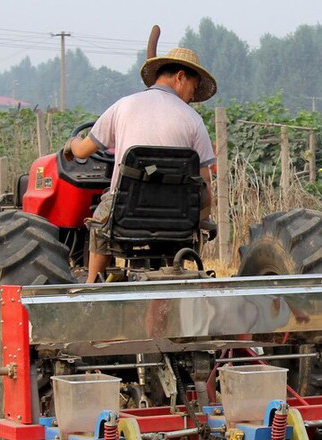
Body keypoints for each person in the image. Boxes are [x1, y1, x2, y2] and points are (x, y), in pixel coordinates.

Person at [63, 47, 217, 283]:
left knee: (101, 219)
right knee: (183, 227)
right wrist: (198, 218)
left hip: (125, 215)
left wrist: (71, 145)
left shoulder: (123, 106)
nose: (192, 98)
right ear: (180, 77)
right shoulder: (194, 120)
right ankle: (172, 272)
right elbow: (206, 189)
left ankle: (92, 285)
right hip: (176, 218)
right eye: (193, 89)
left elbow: (83, 151)